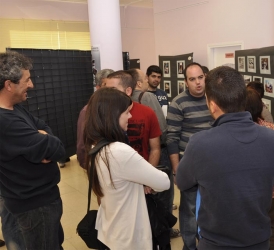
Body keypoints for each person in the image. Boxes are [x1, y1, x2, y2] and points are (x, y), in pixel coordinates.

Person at [176, 66, 274, 250]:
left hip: (215, 243)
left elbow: (182, 181)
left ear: (212, 105)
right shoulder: (273, 138)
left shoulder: (200, 143)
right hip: (259, 241)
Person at [83, 87, 170, 249]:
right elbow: (164, 182)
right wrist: (145, 181)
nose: (130, 116)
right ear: (113, 116)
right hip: (129, 236)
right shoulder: (119, 151)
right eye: (125, 112)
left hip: (111, 228)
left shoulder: (95, 145)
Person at [0, 51, 65, 249]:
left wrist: (43, 136)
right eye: (27, 80)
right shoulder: (5, 121)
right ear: (9, 85)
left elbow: (43, 126)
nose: (31, 85)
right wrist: (46, 140)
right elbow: (58, 150)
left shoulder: (15, 108)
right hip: (34, 205)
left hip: (32, 199)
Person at [166, 62, 214, 250]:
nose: (198, 83)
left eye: (200, 77)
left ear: (205, 77)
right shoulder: (178, 103)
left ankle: (206, 242)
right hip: (189, 164)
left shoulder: (213, 99)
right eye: (192, 79)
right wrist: (177, 170)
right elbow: (172, 139)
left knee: (210, 206)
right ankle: (189, 245)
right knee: (189, 208)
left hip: (211, 164)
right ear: (186, 82)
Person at [245, 88, 274, 250]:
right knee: (271, 224)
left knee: (248, 226)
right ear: (260, 107)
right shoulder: (272, 130)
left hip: (247, 190)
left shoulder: (238, 132)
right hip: (271, 189)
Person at [146, 65, 180, 235]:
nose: (156, 80)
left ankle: (167, 225)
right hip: (151, 147)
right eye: (153, 76)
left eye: (158, 76)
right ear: (146, 77)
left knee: (167, 186)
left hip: (164, 145)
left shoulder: (163, 95)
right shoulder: (144, 96)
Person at [105, 70, 162, 166]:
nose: (107, 94)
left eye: (113, 89)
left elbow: (155, 149)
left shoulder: (148, 113)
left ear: (128, 91)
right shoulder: (103, 113)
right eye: (106, 90)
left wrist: (149, 175)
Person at [76, 68, 114, 168]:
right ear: (98, 87)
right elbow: (82, 144)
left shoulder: (120, 108)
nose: (110, 91)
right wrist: (89, 167)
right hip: (98, 166)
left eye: (113, 88)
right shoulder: (88, 111)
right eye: (106, 87)